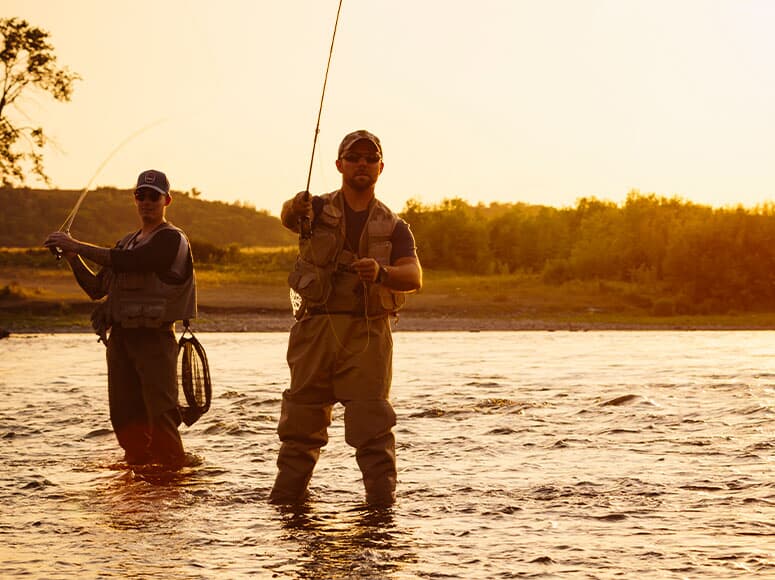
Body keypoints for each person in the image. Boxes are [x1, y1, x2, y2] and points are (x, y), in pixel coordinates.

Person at [270, 130, 423, 506]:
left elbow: (414, 276)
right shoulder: (315, 210)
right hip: (315, 330)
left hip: (368, 334)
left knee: (372, 429)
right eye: (354, 158)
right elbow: (289, 216)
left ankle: (380, 516)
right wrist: (296, 203)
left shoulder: (395, 226)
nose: (362, 164)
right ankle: (286, 508)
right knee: (300, 426)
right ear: (339, 165)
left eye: (370, 159)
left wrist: (383, 274)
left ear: (380, 168)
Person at [44, 169, 197, 468]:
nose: (147, 202)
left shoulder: (172, 239)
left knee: (161, 415)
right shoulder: (125, 242)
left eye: (154, 196)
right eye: (141, 195)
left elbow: (136, 262)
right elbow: (95, 289)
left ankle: (172, 481)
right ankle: (138, 475)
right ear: (135, 199)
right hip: (120, 342)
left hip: (155, 338)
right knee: (124, 417)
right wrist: (73, 258)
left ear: (167, 200)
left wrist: (77, 245)